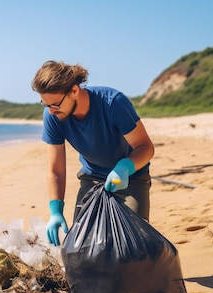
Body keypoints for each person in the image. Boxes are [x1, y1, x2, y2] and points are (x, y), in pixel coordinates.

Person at [31, 60, 155, 246]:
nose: (50, 110)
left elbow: (145, 147)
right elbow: (56, 169)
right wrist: (56, 210)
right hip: (92, 178)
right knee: (83, 244)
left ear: (74, 91)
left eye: (55, 104)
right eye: (45, 104)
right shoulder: (53, 115)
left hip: (131, 176)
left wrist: (125, 167)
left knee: (132, 241)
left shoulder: (113, 103)